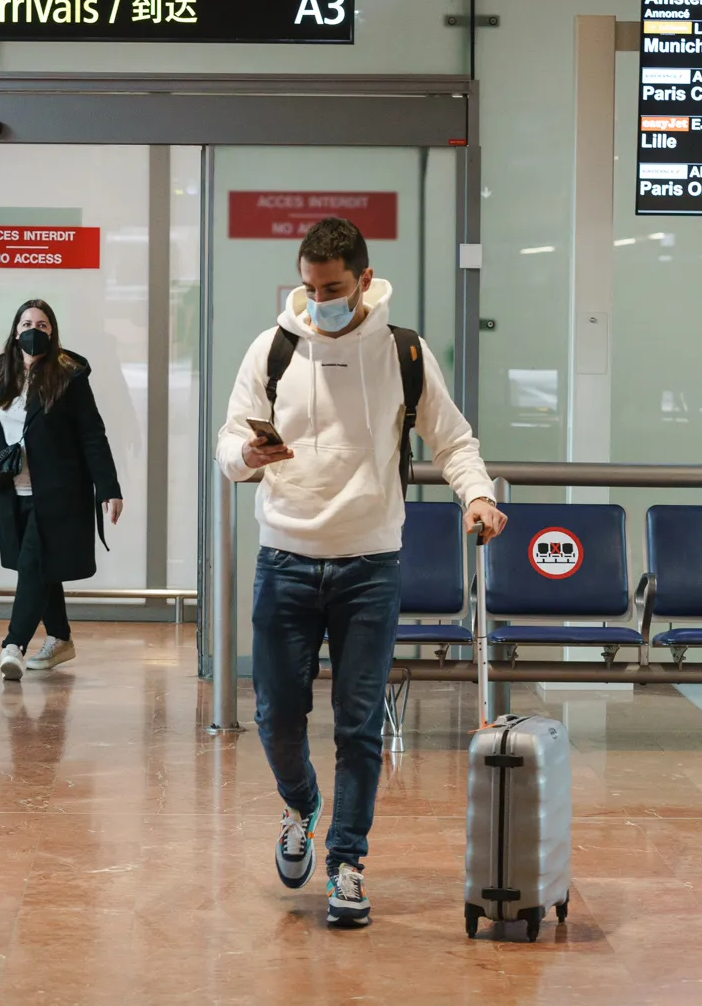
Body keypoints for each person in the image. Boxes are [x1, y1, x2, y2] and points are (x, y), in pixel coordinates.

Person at [216, 216, 507, 929]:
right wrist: (246, 458)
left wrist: (478, 494)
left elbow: (453, 438)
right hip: (284, 557)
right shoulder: (273, 348)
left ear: (366, 281)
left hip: (370, 562)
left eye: (334, 287)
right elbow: (227, 442)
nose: (320, 300)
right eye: (310, 287)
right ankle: (300, 803)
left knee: (358, 725)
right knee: (275, 716)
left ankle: (347, 862)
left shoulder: (403, 352)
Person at [0, 299, 124, 681]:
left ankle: (13, 645)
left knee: (32, 565)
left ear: (52, 333)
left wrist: (109, 488)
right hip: (12, 490)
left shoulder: (69, 376)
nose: (33, 330)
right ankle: (60, 638)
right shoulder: (2, 370)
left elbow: (92, 435)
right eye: (27, 323)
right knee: (43, 568)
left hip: (60, 492)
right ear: (14, 330)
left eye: (42, 325)